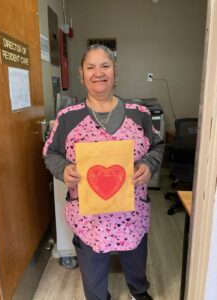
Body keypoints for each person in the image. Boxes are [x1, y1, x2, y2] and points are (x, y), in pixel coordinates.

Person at [43, 44, 164, 300]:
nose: (98, 73)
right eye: (91, 67)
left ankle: (139, 294)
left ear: (115, 70)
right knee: (94, 276)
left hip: (131, 211)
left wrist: (148, 164)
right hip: (90, 216)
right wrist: (63, 169)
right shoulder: (67, 117)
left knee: (136, 264)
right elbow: (50, 153)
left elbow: (157, 146)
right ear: (81, 73)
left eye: (105, 66)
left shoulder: (139, 114)